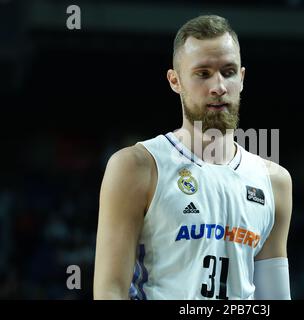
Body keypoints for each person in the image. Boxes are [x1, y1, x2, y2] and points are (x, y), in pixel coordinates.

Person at [93, 15, 292, 300]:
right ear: (175, 81)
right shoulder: (137, 166)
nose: (218, 86)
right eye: (203, 73)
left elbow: (274, 298)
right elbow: (110, 291)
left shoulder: (275, 181)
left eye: (228, 71)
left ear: (243, 78)